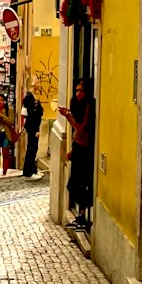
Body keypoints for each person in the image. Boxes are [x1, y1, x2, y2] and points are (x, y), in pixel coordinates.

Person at [61, 78, 95, 231]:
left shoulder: (89, 106)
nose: (78, 93)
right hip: (78, 148)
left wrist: (68, 116)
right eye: (76, 90)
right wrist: (72, 149)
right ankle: (81, 216)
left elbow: (81, 128)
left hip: (86, 150)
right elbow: (76, 132)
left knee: (81, 184)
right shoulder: (76, 105)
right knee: (73, 185)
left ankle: (83, 216)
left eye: (81, 90)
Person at [0, 93, 18, 177]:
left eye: (1, 100)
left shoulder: (10, 110)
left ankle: (4, 172)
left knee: (5, 154)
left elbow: (10, 122)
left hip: (5, 134)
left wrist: (1, 116)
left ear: (4, 101)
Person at [20, 88, 44, 179]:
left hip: (33, 127)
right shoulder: (29, 98)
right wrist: (35, 131)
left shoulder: (35, 99)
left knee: (33, 148)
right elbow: (27, 114)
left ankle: (32, 169)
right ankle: (28, 171)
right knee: (32, 148)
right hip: (32, 127)